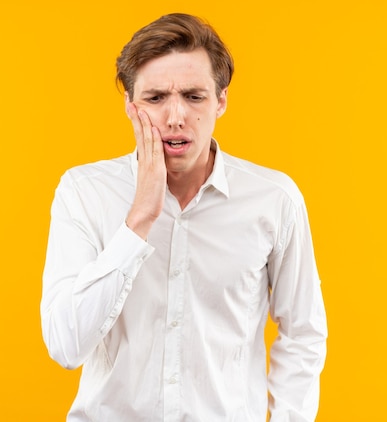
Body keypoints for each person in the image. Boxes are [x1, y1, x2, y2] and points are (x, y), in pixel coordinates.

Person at [41, 13, 327, 422]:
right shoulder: (84, 193)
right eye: (155, 98)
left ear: (221, 100)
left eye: (194, 96)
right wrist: (138, 220)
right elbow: (66, 346)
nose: (175, 117)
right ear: (129, 104)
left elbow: (302, 333)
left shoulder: (274, 199)